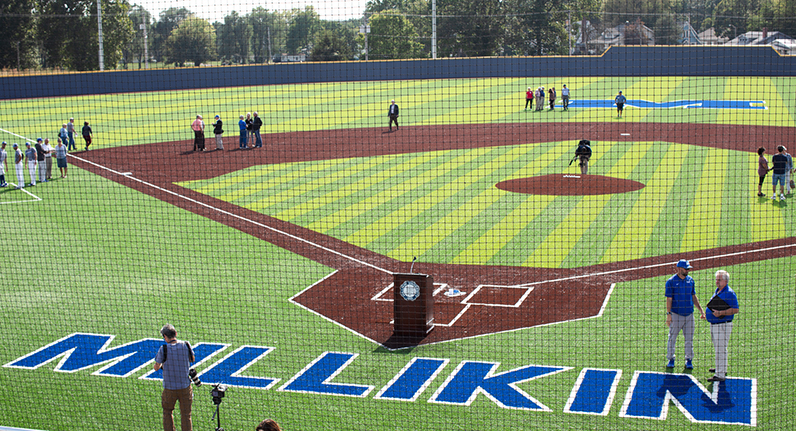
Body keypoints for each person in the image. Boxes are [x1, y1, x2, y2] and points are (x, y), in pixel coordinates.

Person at [153, 324, 195, 431]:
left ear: (165, 336)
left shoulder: (164, 349)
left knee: (167, 412)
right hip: (185, 387)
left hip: (169, 388)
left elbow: (156, 367)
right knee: (186, 415)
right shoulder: (186, 345)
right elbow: (192, 359)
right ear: (175, 334)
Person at [665, 259, 706, 370]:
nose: (688, 270)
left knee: (689, 339)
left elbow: (693, 296)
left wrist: (701, 310)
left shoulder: (690, 281)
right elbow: (669, 299)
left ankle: (689, 360)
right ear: (679, 269)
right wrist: (668, 314)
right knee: (672, 338)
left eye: (688, 268)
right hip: (676, 315)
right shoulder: (671, 281)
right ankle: (671, 358)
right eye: (686, 268)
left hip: (689, 315)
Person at [705, 270, 739, 383]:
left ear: (725, 281)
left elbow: (735, 309)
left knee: (721, 348)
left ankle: (720, 374)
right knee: (718, 348)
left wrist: (721, 313)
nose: (717, 282)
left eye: (719, 280)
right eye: (716, 279)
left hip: (722, 325)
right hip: (715, 325)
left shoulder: (729, 293)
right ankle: (720, 368)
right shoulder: (719, 290)